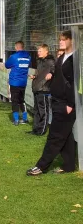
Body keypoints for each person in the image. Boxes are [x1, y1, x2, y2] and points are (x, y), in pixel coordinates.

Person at [27, 31, 77, 175]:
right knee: (66, 136)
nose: (60, 42)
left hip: (66, 104)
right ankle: (69, 166)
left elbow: (75, 82)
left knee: (54, 136)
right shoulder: (62, 57)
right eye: (60, 39)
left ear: (72, 41)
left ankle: (41, 166)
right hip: (56, 101)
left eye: (64, 40)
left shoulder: (75, 58)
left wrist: (71, 104)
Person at [28, 44, 55, 136]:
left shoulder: (50, 61)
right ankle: (35, 129)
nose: (38, 53)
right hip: (37, 88)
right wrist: (34, 76)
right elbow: (40, 73)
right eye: (38, 51)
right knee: (37, 110)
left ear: (46, 51)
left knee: (43, 111)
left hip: (44, 89)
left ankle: (42, 130)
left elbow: (54, 69)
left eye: (40, 51)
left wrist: (51, 73)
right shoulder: (39, 61)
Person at [5, 41, 32, 126]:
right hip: (23, 82)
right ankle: (25, 118)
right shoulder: (28, 56)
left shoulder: (14, 56)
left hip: (14, 82)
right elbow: (28, 65)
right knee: (22, 100)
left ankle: (16, 120)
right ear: (23, 47)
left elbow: (7, 65)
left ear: (16, 47)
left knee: (14, 101)